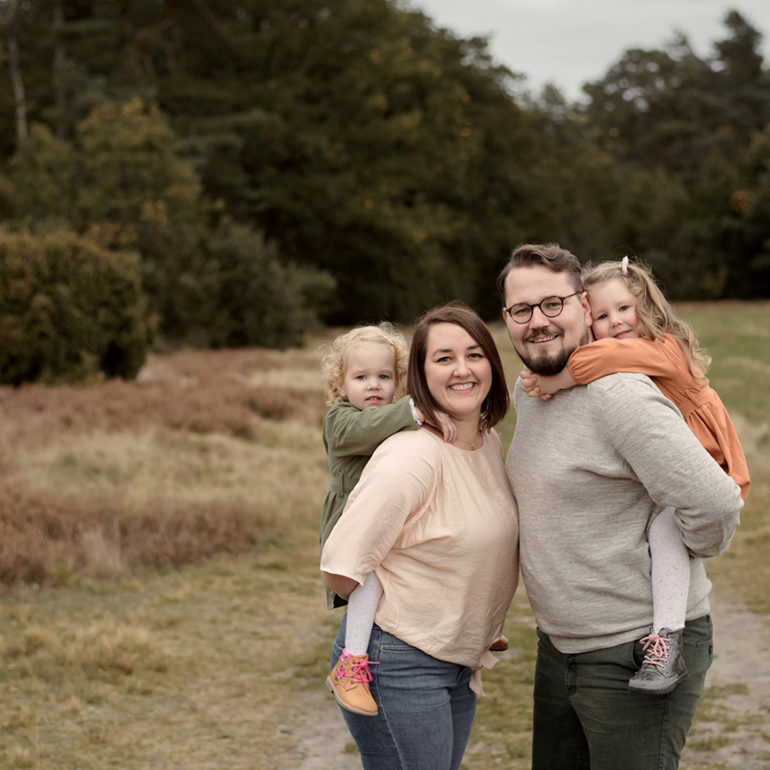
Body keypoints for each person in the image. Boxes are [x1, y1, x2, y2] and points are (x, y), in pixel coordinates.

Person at [497, 243, 744, 770]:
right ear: (507, 318)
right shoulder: (533, 391)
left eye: (553, 304)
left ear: (583, 306)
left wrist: (678, 547)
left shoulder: (620, 395)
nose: (537, 321)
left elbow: (716, 504)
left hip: (632, 654)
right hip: (559, 649)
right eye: (521, 310)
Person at [321, 303, 519, 770]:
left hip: (456, 657)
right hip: (401, 659)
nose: (462, 369)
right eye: (444, 358)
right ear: (421, 375)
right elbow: (341, 568)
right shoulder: (411, 454)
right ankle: (351, 663)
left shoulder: (488, 441)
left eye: (474, 354)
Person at [320, 322, 451, 717]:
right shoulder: (341, 420)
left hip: (393, 520)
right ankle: (351, 664)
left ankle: (466, 622)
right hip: (355, 527)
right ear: (341, 384)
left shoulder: (395, 417)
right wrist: (412, 410)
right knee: (371, 577)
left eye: (384, 376)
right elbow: (365, 429)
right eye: (361, 377)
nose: (373, 386)